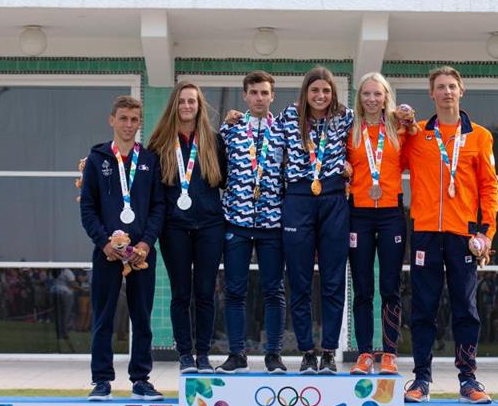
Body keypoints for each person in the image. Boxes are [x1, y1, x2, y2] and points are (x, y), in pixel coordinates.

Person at [396, 66, 498, 404]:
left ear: (461, 91)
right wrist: (399, 125)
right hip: (425, 232)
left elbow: (489, 187)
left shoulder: (480, 136)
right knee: (423, 309)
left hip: (464, 234)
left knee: (465, 309)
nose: (446, 92)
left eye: (452, 86)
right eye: (440, 87)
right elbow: (392, 165)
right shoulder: (418, 135)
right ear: (432, 94)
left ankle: (468, 379)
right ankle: (421, 379)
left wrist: (486, 232)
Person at [80, 95, 165, 401]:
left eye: (134, 119)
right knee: (103, 316)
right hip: (107, 253)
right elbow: (87, 208)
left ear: (140, 123)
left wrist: (146, 242)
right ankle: (101, 381)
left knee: (142, 316)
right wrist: (103, 243)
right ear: (111, 120)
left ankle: (141, 379)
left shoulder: (149, 160)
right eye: (123, 118)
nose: (128, 125)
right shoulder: (97, 159)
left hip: (141, 254)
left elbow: (158, 207)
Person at [274, 66, 353, 374]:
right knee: (300, 280)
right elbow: (262, 130)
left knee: (334, 281)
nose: (321, 96)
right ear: (305, 92)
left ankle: (330, 351)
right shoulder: (287, 117)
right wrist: (235, 120)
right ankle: (307, 351)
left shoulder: (345, 118)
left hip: (334, 199)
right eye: (315, 90)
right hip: (298, 199)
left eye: (326, 91)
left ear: (333, 94)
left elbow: (371, 136)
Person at [147, 82, 226, 374]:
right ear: (174, 105)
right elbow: (147, 187)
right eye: (182, 101)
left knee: (205, 292)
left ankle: (203, 353)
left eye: (192, 101)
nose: (187, 106)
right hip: (174, 228)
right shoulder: (159, 143)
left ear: (199, 105)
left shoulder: (214, 141)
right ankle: (184, 354)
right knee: (181, 293)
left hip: (210, 225)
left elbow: (229, 180)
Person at [216, 71, 287, 374]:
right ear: (245, 96)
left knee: (274, 290)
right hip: (236, 221)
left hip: (273, 221)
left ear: (272, 96)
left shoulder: (284, 131)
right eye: (254, 92)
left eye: (264, 93)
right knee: (234, 290)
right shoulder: (229, 130)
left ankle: (274, 354)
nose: (259, 98)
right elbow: (216, 172)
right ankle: (236, 354)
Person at [346, 72, 407, 375]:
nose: (372, 99)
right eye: (366, 94)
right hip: (358, 213)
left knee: (390, 286)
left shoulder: (398, 129)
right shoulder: (350, 129)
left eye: (377, 94)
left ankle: (390, 353)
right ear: (360, 98)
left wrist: (408, 116)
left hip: (391, 214)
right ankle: (364, 353)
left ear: (386, 97)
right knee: (362, 287)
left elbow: (420, 143)